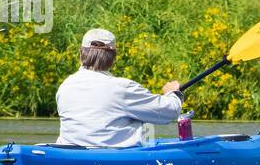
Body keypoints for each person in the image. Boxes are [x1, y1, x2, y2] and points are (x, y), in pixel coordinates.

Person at [55, 28, 184, 147]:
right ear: (113, 58)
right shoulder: (123, 88)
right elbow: (170, 111)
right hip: (113, 161)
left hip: (69, 154)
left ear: (81, 53)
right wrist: (173, 93)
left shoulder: (65, 86)